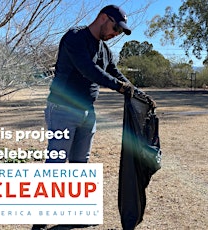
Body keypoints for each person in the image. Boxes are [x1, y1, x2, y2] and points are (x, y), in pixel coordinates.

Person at [32, 5, 150, 230]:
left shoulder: (105, 49)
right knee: (56, 163)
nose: (115, 33)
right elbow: (88, 69)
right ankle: (40, 221)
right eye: (115, 27)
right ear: (103, 18)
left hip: (88, 111)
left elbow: (114, 72)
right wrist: (119, 87)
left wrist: (136, 91)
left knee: (80, 164)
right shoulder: (75, 38)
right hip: (63, 110)